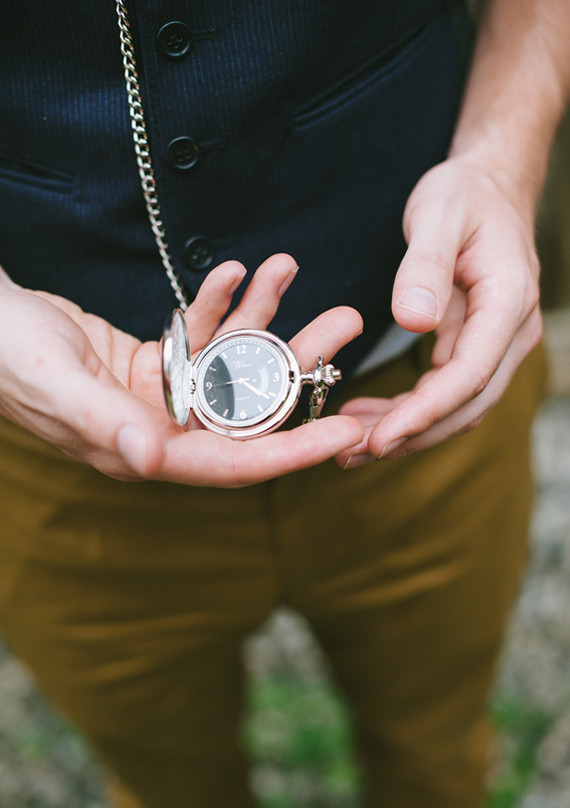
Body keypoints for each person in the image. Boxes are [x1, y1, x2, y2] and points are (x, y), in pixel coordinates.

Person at [0, 0, 568, 806]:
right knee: (168, 787)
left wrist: (503, 159)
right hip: (49, 452)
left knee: (436, 753)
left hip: (416, 395)